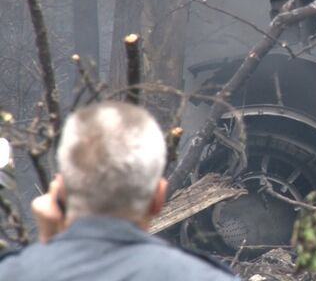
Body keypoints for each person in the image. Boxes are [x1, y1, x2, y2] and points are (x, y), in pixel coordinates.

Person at [0, 101, 238, 280]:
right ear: (157, 198)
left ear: (60, 191)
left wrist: (48, 250)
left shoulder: (12, 272)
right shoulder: (207, 277)